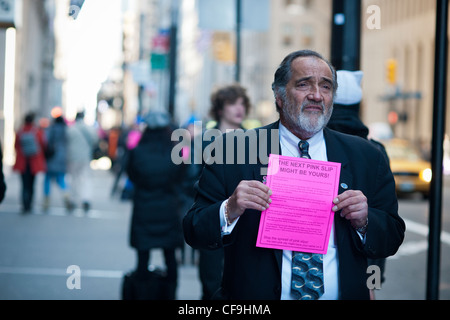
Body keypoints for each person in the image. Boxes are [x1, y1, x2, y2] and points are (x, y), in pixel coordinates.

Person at [183, 49, 405, 300]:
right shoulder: (233, 151)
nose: (316, 95)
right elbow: (194, 230)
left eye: (326, 86)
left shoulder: (366, 156)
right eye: (303, 84)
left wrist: (365, 221)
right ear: (279, 95)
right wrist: (229, 208)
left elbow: (392, 236)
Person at [327, 70, 390, 299]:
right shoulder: (375, 150)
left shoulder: (310, 146)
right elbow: (378, 222)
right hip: (359, 269)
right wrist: (372, 282)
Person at [196, 84, 251, 300]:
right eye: (232, 103)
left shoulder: (254, 139)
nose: (239, 108)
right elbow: (193, 176)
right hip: (214, 214)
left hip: (245, 221)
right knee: (210, 282)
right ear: (220, 109)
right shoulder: (207, 139)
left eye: (242, 103)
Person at [126, 111, 186, 299]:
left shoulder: (137, 152)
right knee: (170, 257)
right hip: (168, 209)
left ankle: (142, 294)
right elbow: (181, 177)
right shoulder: (175, 153)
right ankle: (170, 294)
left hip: (144, 208)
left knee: (143, 257)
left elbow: (132, 176)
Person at [13, 112, 47, 213]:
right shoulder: (37, 131)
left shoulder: (21, 131)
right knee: (32, 184)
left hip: (22, 162)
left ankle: (25, 203)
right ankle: (30, 204)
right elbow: (43, 145)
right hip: (34, 162)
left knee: (24, 184)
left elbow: (16, 146)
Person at [66, 111, 99, 212]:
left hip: (72, 158)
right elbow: (95, 140)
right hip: (85, 157)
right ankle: (86, 199)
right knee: (86, 179)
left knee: (73, 179)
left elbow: (66, 142)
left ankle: (73, 200)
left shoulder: (71, 129)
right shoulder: (89, 129)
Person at [43, 115, 70, 211]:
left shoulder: (51, 129)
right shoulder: (66, 130)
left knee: (47, 180)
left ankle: (46, 201)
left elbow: (45, 141)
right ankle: (66, 196)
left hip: (51, 158)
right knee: (61, 179)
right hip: (62, 158)